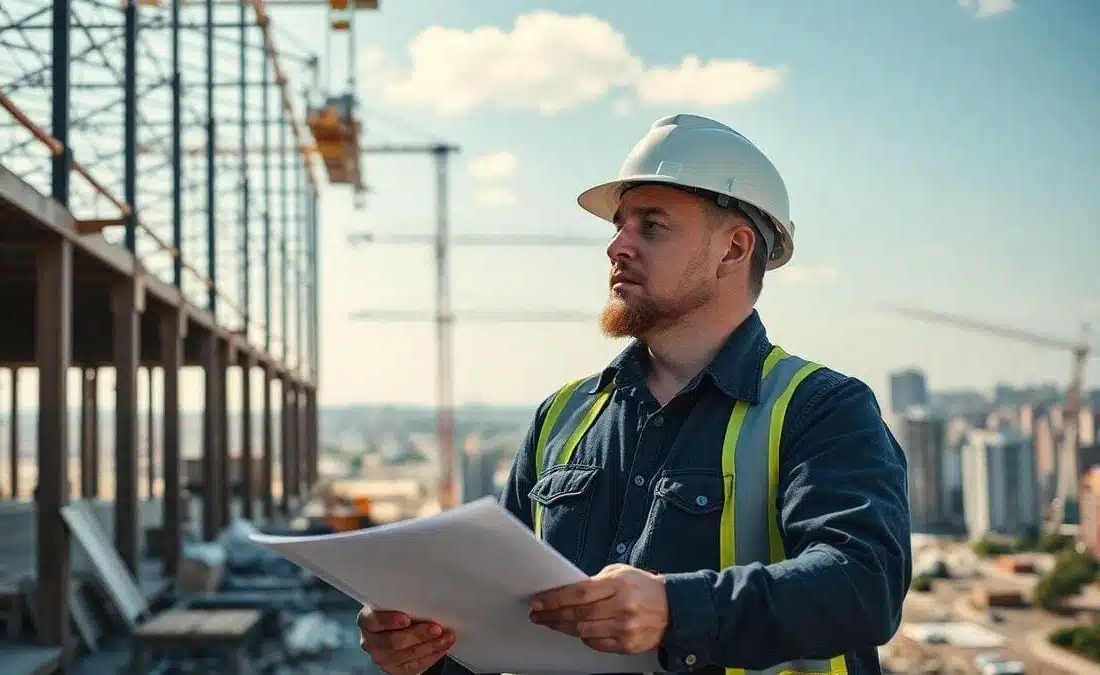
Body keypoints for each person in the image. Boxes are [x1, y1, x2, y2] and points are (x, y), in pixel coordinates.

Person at [358, 113, 912, 675]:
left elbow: (864, 584)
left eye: (652, 226)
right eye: (618, 226)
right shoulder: (563, 416)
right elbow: (502, 618)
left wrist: (676, 611)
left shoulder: (821, 409)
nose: (617, 247)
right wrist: (426, 650)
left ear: (733, 249)